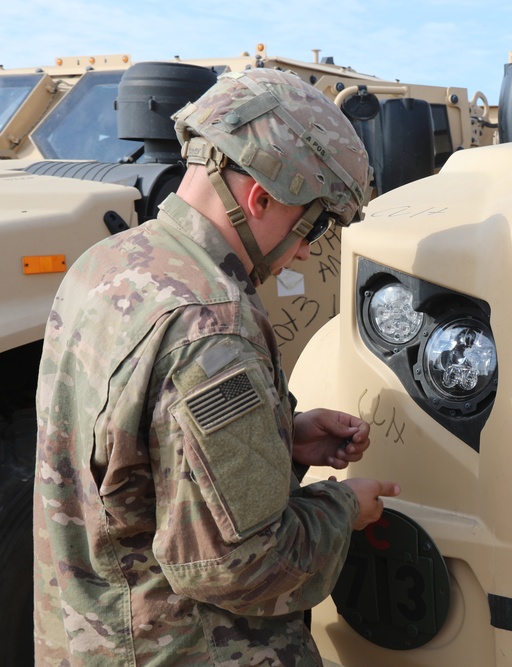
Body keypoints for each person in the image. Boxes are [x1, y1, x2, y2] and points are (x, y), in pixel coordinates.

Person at [33, 67, 398, 666]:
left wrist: (283, 436)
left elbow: (130, 456)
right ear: (261, 197)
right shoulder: (211, 325)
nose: (307, 251)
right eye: (312, 225)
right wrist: (344, 508)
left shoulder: (108, 263)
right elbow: (238, 566)